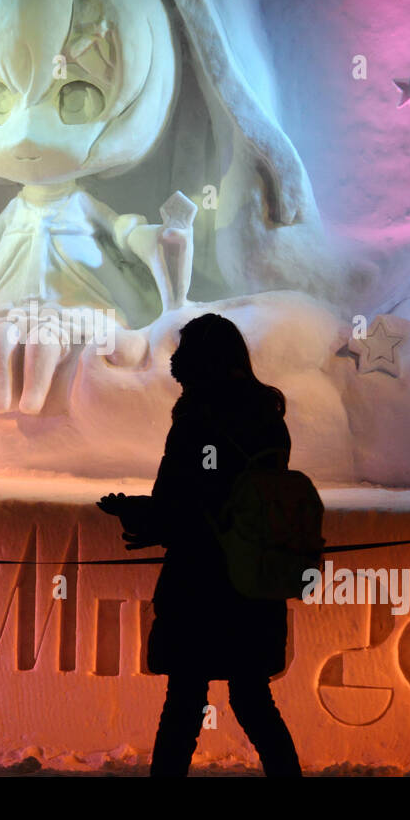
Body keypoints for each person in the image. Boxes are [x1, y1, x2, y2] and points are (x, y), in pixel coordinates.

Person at [98, 313, 303, 777]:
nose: (175, 361)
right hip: (254, 578)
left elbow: (182, 503)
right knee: (253, 699)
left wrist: (139, 515)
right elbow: (237, 497)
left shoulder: (196, 422)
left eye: (185, 349)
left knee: (184, 702)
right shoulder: (267, 417)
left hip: (202, 582)